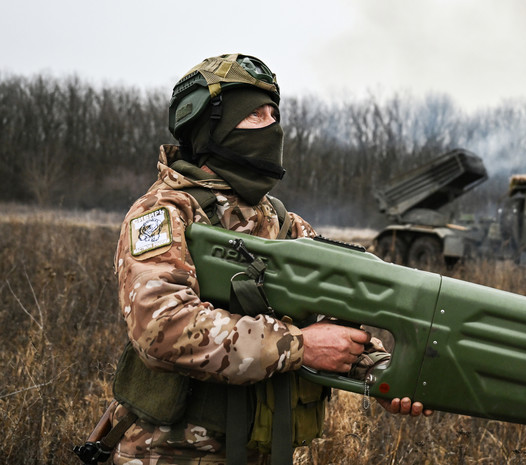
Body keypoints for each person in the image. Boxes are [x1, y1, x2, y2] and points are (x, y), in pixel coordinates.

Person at [105, 53, 430, 465]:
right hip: (168, 453)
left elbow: (332, 317)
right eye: (255, 114)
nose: (272, 125)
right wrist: (296, 347)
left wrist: (382, 373)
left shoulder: (282, 222)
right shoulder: (164, 213)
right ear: (212, 129)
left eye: (273, 113)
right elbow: (162, 329)